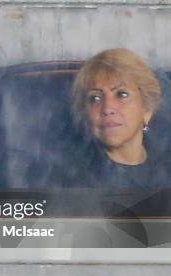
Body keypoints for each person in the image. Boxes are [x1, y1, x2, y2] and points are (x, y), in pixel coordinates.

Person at [61, 48, 167, 188]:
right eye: (95, 98)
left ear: (147, 109)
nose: (107, 108)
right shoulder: (70, 177)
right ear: (85, 114)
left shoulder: (165, 165)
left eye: (122, 94)